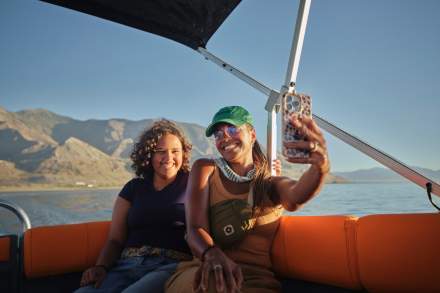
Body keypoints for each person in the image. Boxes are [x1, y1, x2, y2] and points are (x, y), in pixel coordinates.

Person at [165, 106, 329, 293]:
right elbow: (195, 228)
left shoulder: (269, 182)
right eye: (218, 134)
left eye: (233, 129)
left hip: (253, 280)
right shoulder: (205, 169)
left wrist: (319, 168)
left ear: (252, 134)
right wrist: (211, 253)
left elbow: (295, 196)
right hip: (204, 270)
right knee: (210, 285)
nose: (224, 137)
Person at [76, 119, 193, 293]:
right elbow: (115, 239)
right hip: (125, 265)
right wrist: (101, 267)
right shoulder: (133, 188)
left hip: (169, 266)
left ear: (183, 153)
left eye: (175, 151)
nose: (168, 158)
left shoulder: (193, 184)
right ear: (149, 155)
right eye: (160, 151)